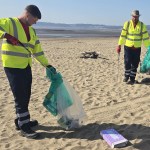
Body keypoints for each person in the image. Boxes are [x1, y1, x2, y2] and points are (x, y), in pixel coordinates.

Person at [0, 5, 55, 139]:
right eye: (35, 19)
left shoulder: (32, 32)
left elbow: (37, 52)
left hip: (26, 66)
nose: (35, 22)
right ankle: (24, 127)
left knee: (26, 94)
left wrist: (47, 65)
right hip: (12, 66)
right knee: (20, 96)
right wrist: (5, 35)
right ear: (28, 15)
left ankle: (21, 121)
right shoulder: (10, 22)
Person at [116, 10, 150, 84]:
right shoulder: (127, 24)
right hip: (128, 47)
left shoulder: (142, 25)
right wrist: (119, 45)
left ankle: (132, 78)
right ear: (132, 16)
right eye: (134, 16)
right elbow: (123, 35)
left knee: (135, 63)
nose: (135, 18)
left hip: (137, 48)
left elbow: (146, 37)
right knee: (127, 62)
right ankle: (126, 76)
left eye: (136, 16)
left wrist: (149, 47)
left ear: (138, 17)